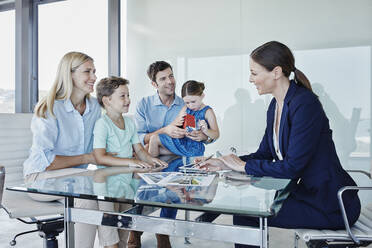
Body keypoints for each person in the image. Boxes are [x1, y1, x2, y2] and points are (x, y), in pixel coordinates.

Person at [199, 41, 361, 248]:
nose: (250, 79)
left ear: (276, 72)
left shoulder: (305, 104)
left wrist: (242, 166)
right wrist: (226, 163)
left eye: (254, 73)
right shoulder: (276, 105)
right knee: (245, 210)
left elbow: (293, 166)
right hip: (306, 195)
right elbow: (265, 153)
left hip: (330, 204)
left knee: (246, 214)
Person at [22, 52, 119, 248]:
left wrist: (126, 156)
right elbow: (46, 161)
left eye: (94, 71)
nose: (94, 77)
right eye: (87, 71)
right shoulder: (49, 108)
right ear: (70, 74)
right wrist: (88, 157)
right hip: (40, 177)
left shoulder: (92, 107)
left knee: (103, 187)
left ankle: (113, 246)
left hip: (76, 178)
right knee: (87, 198)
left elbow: (99, 145)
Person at [134, 61, 211, 248]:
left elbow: (204, 135)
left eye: (171, 75)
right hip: (148, 156)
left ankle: (163, 233)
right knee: (140, 189)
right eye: (163, 78)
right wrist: (165, 130)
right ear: (154, 84)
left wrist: (203, 136)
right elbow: (138, 138)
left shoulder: (186, 103)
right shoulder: (144, 105)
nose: (170, 81)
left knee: (175, 188)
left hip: (177, 157)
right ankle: (135, 231)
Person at [93, 76, 168, 247]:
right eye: (122, 96)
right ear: (107, 100)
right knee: (110, 232)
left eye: (128, 95)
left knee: (124, 227)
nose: (128, 100)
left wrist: (153, 160)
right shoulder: (102, 124)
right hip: (106, 184)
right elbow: (100, 157)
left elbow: (139, 149)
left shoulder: (129, 122)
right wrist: (131, 162)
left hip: (127, 183)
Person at [148, 80, 219, 157]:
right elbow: (179, 125)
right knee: (154, 138)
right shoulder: (186, 108)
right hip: (181, 142)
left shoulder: (208, 112)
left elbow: (216, 134)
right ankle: (151, 166)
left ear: (202, 96)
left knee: (152, 146)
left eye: (193, 101)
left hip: (194, 148)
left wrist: (206, 131)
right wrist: (181, 130)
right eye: (187, 103)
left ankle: (151, 165)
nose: (191, 106)